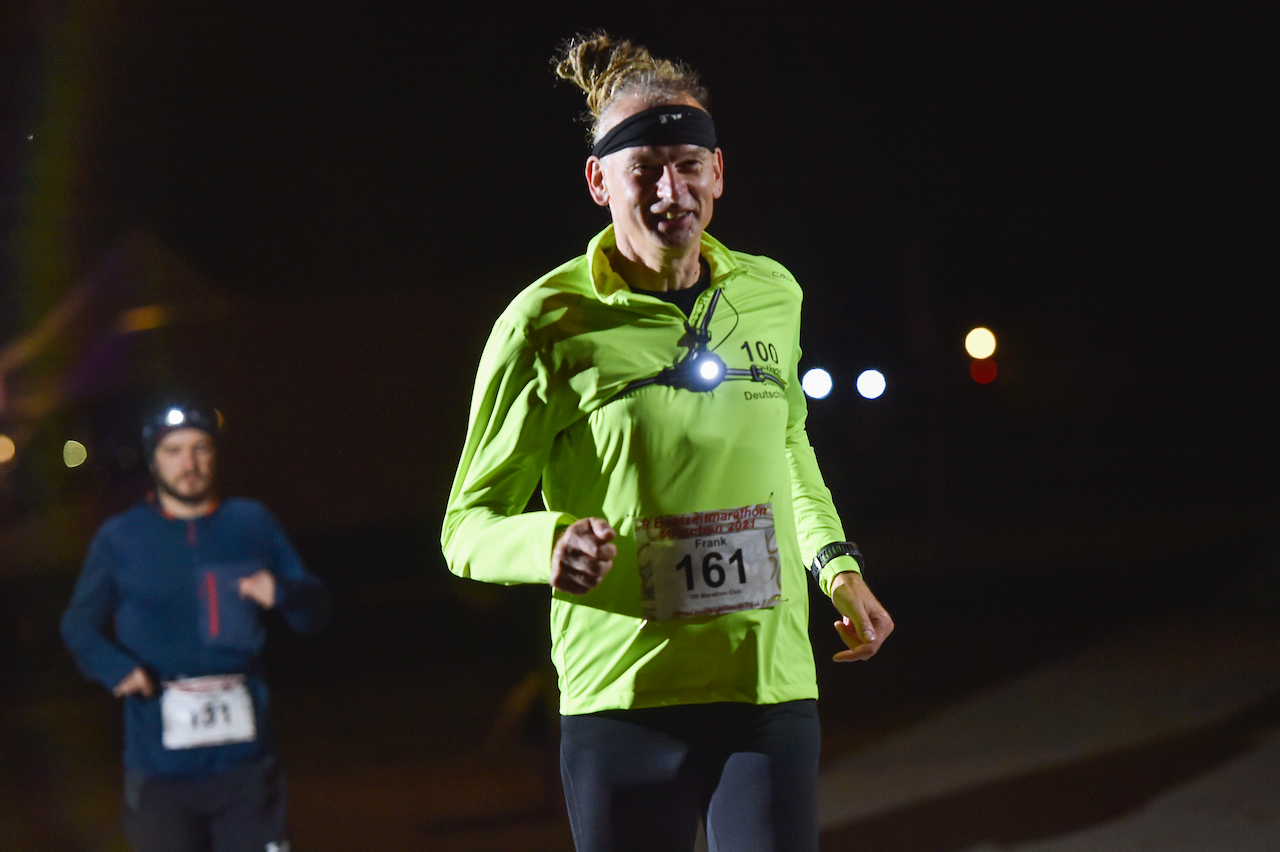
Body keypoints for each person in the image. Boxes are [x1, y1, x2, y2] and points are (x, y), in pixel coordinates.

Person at [441, 32, 894, 852]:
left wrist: (837, 565)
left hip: (766, 683)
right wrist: (545, 543)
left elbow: (788, 448)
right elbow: (466, 526)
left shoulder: (771, 293)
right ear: (599, 181)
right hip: (623, 696)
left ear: (718, 173)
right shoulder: (545, 323)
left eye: (688, 163)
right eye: (644, 168)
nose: (670, 188)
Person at [61, 402, 328, 852]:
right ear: (153, 461)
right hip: (160, 771)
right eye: (174, 451)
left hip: (246, 767)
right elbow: (79, 625)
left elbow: (315, 613)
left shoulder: (251, 522)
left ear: (215, 455)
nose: (190, 463)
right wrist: (114, 667)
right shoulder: (120, 538)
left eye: (201, 449)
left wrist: (283, 591)